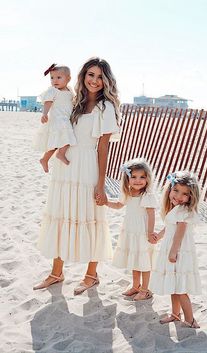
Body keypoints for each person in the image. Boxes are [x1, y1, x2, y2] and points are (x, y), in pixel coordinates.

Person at [33, 57, 120, 294]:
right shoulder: (75, 102)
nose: (95, 80)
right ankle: (56, 272)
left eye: (100, 76)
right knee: (61, 216)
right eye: (90, 75)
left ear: (106, 81)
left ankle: (91, 275)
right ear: (83, 76)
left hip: (88, 167)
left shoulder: (106, 108)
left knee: (90, 217)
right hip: (65, 167)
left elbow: (103, 149)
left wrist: (101, 186)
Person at [150, 171, 202, 328]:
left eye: (185, 194)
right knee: (174, 283)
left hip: (178, 251)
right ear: (169, 190)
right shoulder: (175, 210)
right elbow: (170, 227)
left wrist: (173, 251)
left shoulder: (184, 211)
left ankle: (190, 319)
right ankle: (175, 313)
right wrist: (158, 236)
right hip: (172, 248)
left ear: (191, 197)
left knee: (180, 288)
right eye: (176, 191)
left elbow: (179, 232)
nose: (179, 196)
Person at [106, 159, 161, 300]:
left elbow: (151, 214)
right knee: (135, 260)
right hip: (130, 231)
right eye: (134, 177)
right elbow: (119, 205)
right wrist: (106, 202)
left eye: (142, 177)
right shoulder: (128, 192)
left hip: (142, 233)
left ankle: (145, 289)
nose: (138, 180)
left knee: (144, 262)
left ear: (147, 178)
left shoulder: (147, 195)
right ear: (127, 178)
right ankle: (136, 286)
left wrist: (150, 233)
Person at [33, 64, 77, 173]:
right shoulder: (53, 91)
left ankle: (45, 158)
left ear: (68, 79)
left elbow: (72, 102)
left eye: (58, 77)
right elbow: (48, 102)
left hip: (66, 118)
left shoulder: (69, 91)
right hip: (58, 118)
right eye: (52, 78)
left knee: (58, 140)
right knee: (65, 137)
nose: (54, 80)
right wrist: (45, 114)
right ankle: (60, 154)